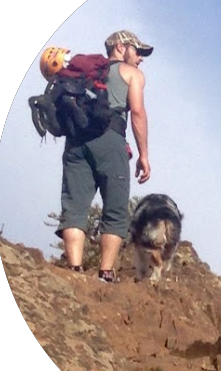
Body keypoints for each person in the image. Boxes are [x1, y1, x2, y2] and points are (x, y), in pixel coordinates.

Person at [55, 30, 153, 282]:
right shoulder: (131, 74)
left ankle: (74, 271)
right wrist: (143, 155)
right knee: (116, 209)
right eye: (137, 51)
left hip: (76, 141)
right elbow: (137, 112)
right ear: (121, 47)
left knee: (74, 207)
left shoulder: (86, 73)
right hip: (110, 139)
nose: (141, 58)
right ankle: (105, 274)